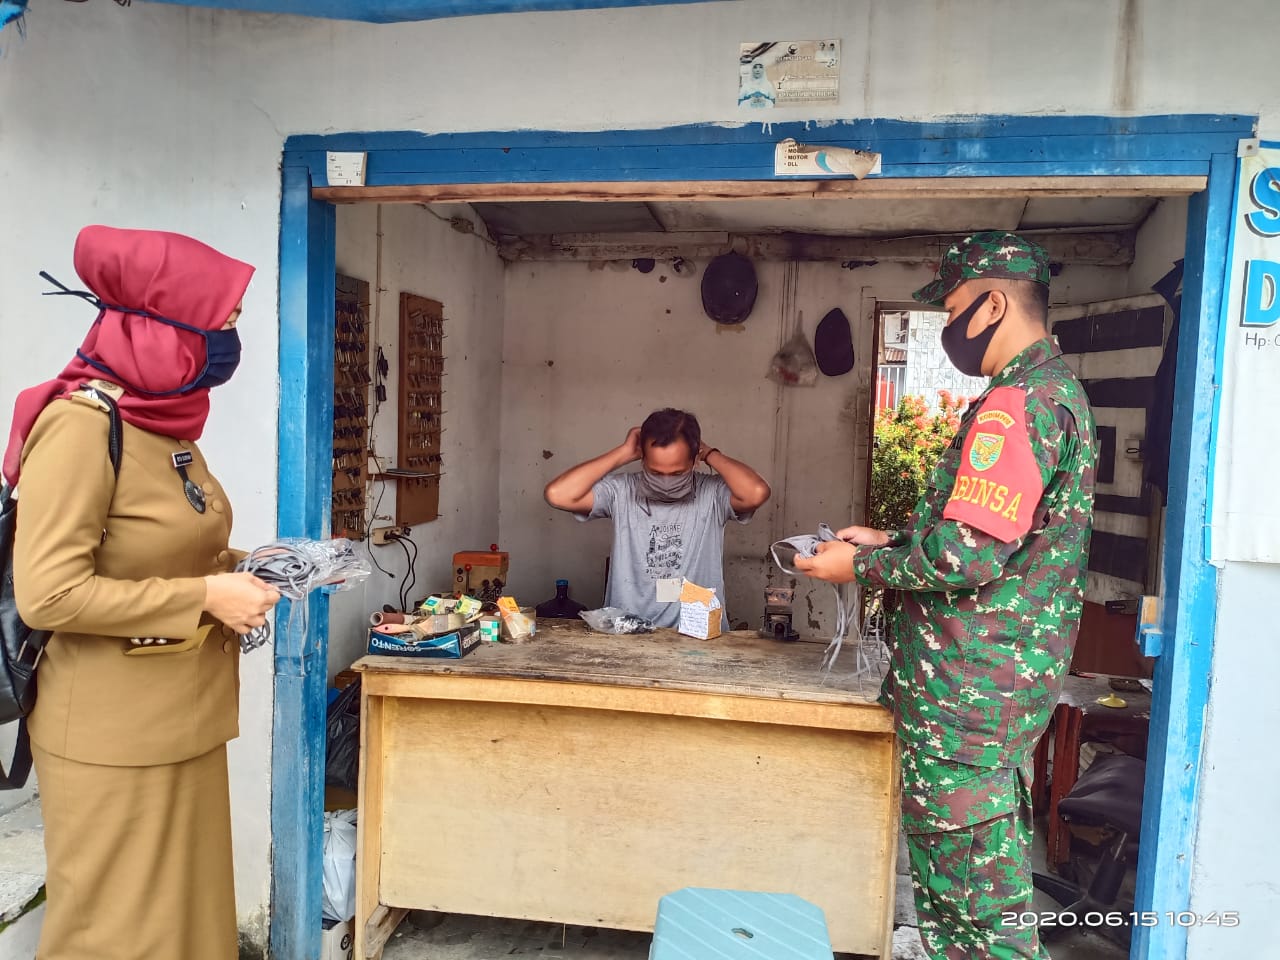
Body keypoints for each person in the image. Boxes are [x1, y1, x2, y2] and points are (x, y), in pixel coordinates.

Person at [795, 232, 1097, 960]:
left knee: (977, 921)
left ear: (995, 303)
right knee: (957, 900)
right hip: (985, 695)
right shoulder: (1053, 393)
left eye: (955, 308)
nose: (950, 328)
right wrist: (886, 544)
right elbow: (992, 535)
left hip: (967, 698)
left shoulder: (1016, 405)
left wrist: (859, 569)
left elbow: (969, 553)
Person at [6, 225, 282, 960]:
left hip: (179, 720)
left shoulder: (162, 424)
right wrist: (204, 596)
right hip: (110, 735)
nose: (230, 336)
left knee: (182, 929)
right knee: (113, 935)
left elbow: (164, 546)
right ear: (164, 328)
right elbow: (50, 595)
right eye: (220, 321)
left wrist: (253, 565)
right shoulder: (79, 427)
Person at [544, 408, 770, 628]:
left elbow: (756, 493)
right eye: (655, 472)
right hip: (629, 632)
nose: (666, 482)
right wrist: (623, 453)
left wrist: (710, 453)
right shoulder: (621, 491)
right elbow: (558, 494)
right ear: (642, 459)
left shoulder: (712, 494)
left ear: (694, 461)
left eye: (677, 473)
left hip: (698, 636)